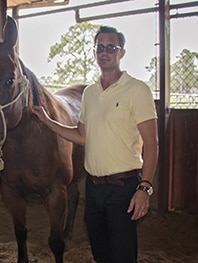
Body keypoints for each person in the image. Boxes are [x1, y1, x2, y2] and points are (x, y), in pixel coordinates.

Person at [33, 25, 158, 262]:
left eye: (111, 47)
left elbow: (152, 144)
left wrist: (144, 188)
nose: (104, 52)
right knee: (100, 252)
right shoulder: (89, 93)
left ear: (121, 53)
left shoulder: (137, 90)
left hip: (124, 187)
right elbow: (82, 135)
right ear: (95, 53)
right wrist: (47, 121)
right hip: (94, 188)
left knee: (122, 254)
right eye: (100, 47)